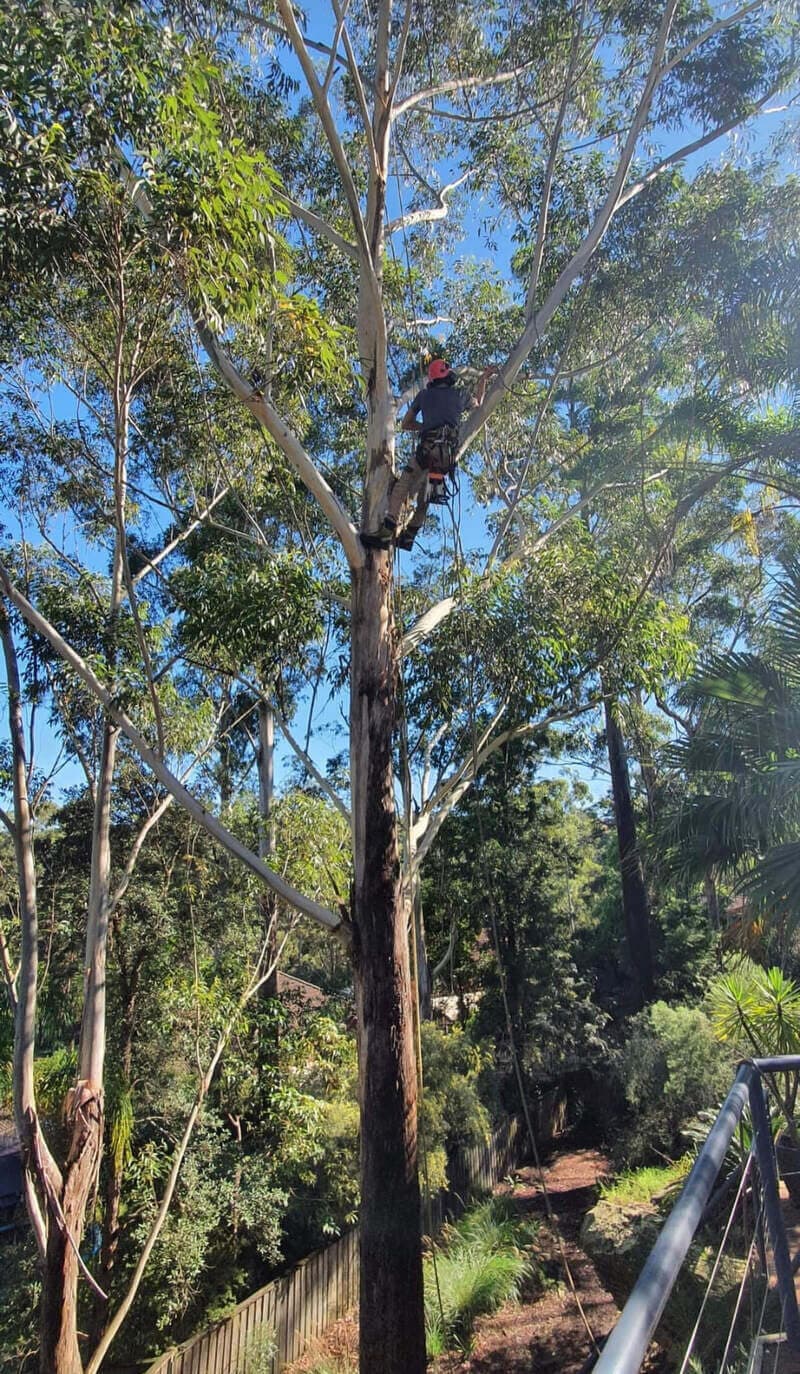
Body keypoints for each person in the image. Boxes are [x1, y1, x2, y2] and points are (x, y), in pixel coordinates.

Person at [361, 360, 494, 551]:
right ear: (448, 376)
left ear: (432, 379)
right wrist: (483, 379)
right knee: (426, 497)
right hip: (446, 457)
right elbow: (478, 403)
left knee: (401, 487)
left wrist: (426, 427)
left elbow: (406, 424)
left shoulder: (424, 395)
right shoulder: (460, 395)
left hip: (426, 452)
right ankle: (409, 537)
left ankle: (386, 533)